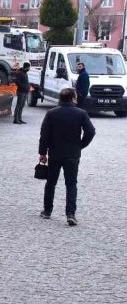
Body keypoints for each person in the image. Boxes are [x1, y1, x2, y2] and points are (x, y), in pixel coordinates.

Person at [38, 88, 96, 226]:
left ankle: (47, 211)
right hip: (72, 154)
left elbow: (44, 135)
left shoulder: (51, 113)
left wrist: (42, 153)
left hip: (55, 153)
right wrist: (80, 145)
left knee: (51, 182)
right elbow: (90, 131)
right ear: (73, 98)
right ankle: (70, 214)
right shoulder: (81, 113)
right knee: (71, 184)